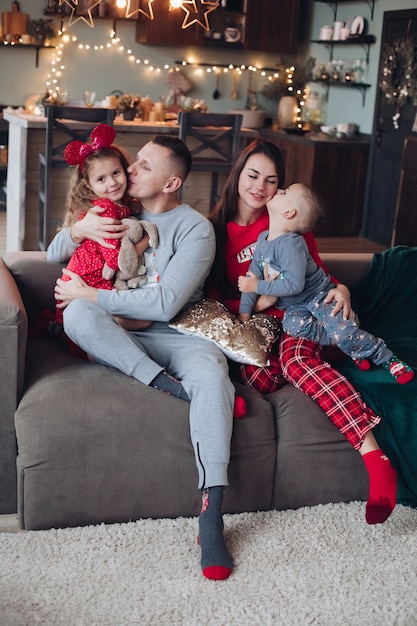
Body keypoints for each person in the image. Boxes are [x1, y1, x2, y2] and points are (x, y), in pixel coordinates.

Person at [48, 134, 236, 580]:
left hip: (173, 335)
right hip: (117, 334)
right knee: (75, 315)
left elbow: (167, 303)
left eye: (144, 166)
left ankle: (211, 516)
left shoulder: (195, 229)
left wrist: (91, 292)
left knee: (212, 373)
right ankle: (163, 384)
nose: (129, 171)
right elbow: (53, 252)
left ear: (171, 182)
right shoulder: (116, 211)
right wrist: (77, 231)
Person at [208, 137, 397, 525]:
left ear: (282, 191)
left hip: (303, 323)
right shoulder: (215, 232)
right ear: (238, 175)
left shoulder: (289, 223)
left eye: (272, 180)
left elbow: (318, 276)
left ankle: (375, 459)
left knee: (295, 359)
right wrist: (257, 303)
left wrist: (341, 287)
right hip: (259, 332)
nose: (260, 186)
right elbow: (212, 301)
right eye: (253, 174)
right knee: (255, 374)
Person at [238, 182, 414, 385]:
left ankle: (385, 357)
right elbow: (251, 278)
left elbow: (293, 285)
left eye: (284, 192)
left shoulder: (291, 244)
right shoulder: (263, 240)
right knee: (292, 326)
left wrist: (257, 287)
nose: (277, 189)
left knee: (343, 333)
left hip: (319, 296)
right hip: (296, 306)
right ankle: (343, 341)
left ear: (289, 212)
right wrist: (244, 313)